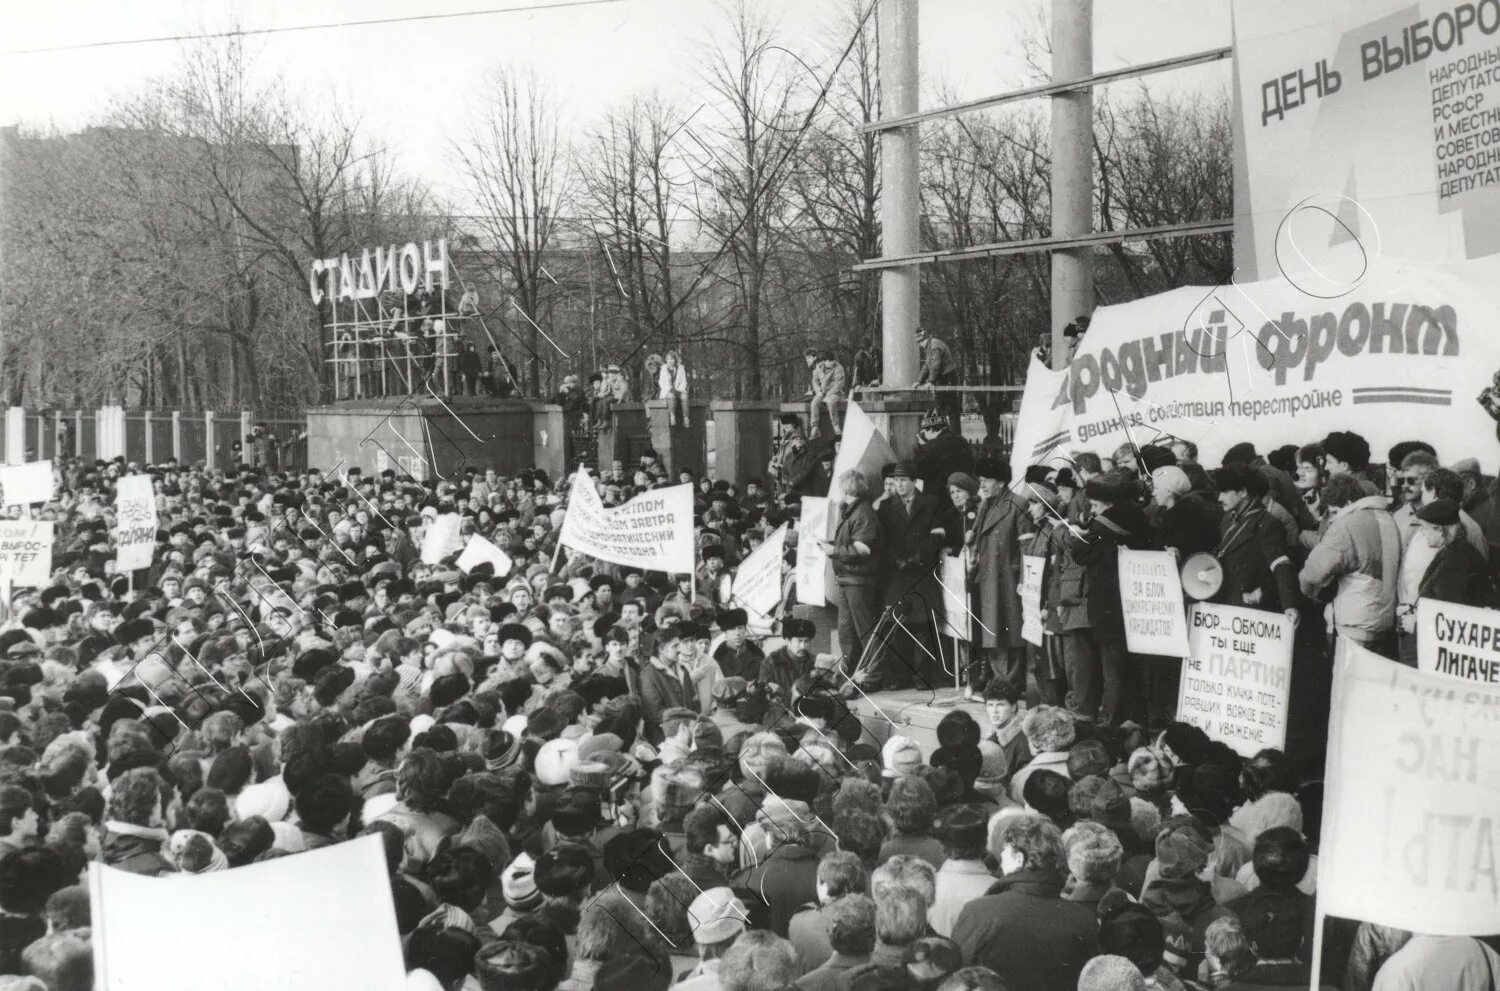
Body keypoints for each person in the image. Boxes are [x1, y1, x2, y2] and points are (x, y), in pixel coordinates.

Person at [950, 814, 1098, 991]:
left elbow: (955, 979)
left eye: (1005, 850)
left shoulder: (978, 912)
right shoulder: (1084, 920)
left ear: (1019, 858)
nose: (1001, 856)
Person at [1299, 473, 1402, 659]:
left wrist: (1312, 594)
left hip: (1352, 625)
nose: (1332, 519)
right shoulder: (1387, 519)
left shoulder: (1346, 524)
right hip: (1384, 621)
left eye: (1335, 512)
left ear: (1347, 503)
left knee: (1343, 684)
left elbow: (1312, 574)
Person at [873, 464, 945, 692]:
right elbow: (884, 540)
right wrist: (896, 559)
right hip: (897, 573)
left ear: (914, 481)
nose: (899, 485)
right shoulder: (885, 507)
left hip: (922, 570)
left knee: (923, 625)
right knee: (898, 625)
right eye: (895, 481)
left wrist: (918, 557)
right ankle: (900, 677)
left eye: (904, 480)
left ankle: (922, 676)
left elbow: (937, 534)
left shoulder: (931, 503)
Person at [968, 459, 1026, 700]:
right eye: (980, 480)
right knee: (992, 634)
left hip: (1007, 582)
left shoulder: (1017, 504)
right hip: (988, 579)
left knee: (1009, 634)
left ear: (1000, 482)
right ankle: (997, 681)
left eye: (986, 480)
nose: (981, 484)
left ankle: (1009, 683)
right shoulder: (985, 506)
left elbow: (1025, 546)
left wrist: (1022, 579)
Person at [823, 469, 883, 674]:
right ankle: (852, 672)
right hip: (848, 579)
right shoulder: (855, 511)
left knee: (864, 630)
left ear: (849, 490)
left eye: (842, 489)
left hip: (858, 580)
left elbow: (863, 549)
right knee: (847, 632)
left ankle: (872, 674)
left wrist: (833, 550)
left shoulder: (862, 513)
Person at [915, 328, 961, 432]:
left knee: (951, 407)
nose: (919, 345)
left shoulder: (934, 346)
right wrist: (919, 380)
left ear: (922, 340)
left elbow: (935, 365)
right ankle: (942, 434)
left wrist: (930, 381)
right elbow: (927, 365)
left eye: (919, 343)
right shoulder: (930, 346)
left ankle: (954, 436)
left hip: (948, 377)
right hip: (942, 377)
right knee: (939, 406)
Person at [806, 349, 847, 441]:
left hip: (835, 393)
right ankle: (815, 427)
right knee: (814, 403)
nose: (831, 363)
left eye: (832, 361)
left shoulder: (839, 368)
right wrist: (818, 391)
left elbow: (839, 385)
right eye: (829, 361)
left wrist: (828, 395)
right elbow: (815, 381)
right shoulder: (819, 367)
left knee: (831, 402)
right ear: (824, 361)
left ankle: (836, 426)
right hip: (823, 393)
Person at [659, 350, 690, 427]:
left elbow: (684, 382)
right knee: (671, 396)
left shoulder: (680, 368)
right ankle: (672, 417)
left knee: (684, 396)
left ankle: (686, 418)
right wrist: (670, 389)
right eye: (668, 359)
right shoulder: (663, 369)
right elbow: (661, 382)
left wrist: (679, 389)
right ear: (666, 360)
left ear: (675, 360)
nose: (670, 361)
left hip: (679, 390)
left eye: (672, 359)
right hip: (668, 391)